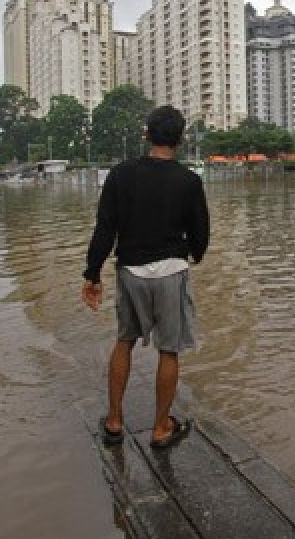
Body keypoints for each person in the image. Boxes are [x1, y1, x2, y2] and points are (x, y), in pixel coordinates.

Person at [81, 105, 209, 449]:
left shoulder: (121, 175)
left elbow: (105, 229)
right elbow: (201, 232)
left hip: (131, 271)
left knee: (124, 341)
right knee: (169, 351)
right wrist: (194, 255)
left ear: (146, 134)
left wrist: (92, 274)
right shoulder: (189, 181)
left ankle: (113, 421)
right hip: (171, 270)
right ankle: (161, 427)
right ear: (181, 139)